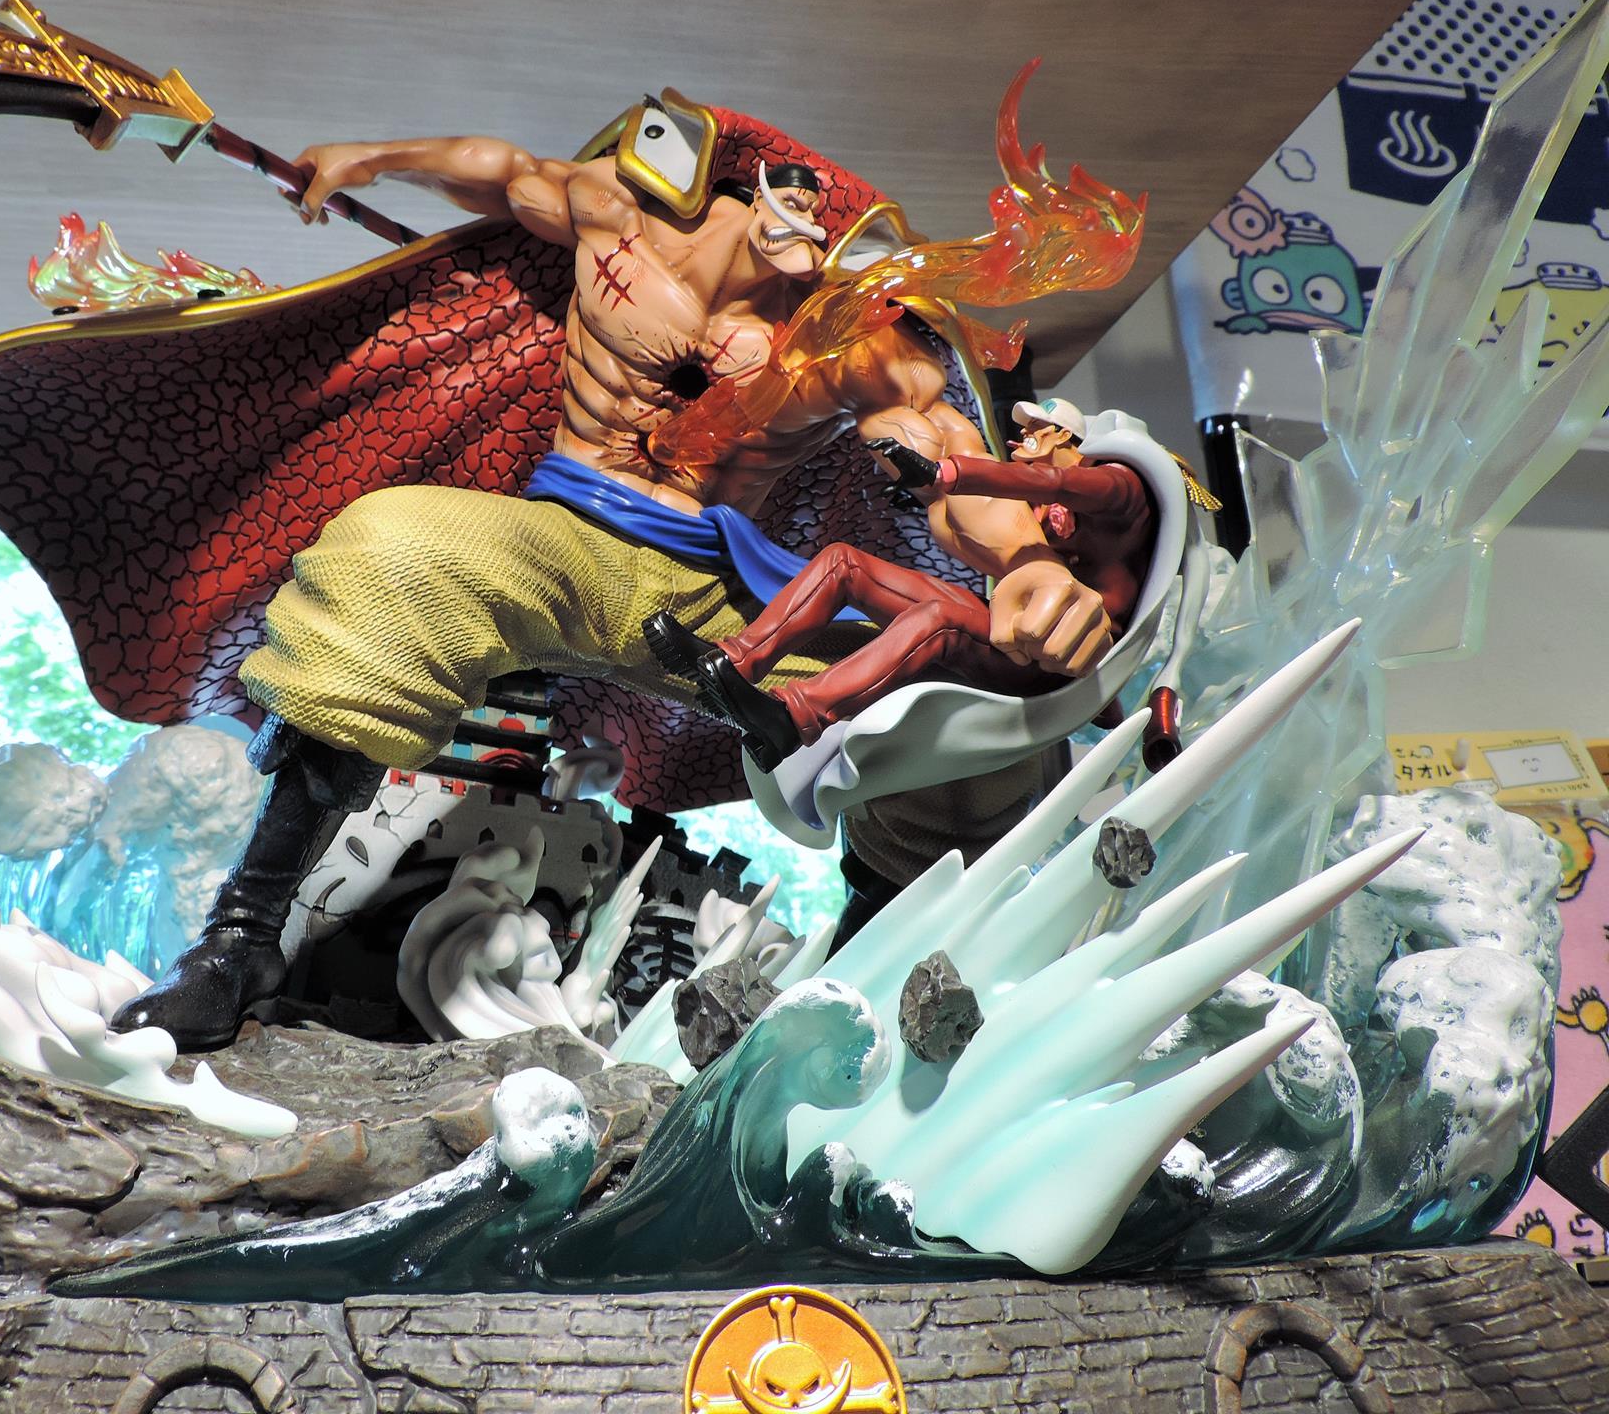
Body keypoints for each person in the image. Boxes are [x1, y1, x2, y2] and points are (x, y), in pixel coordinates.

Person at [103, 110, 1129, 1050]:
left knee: (955, 688)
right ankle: (238, 942)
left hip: (710, 593)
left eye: (826, 228)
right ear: (745, 195)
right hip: (560, 542)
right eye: (790, 204)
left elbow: (946, 454)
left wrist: (1028, 563)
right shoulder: (620, 224)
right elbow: (504, 171)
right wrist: (374, 155)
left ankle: (877, 946)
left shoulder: (845, 333)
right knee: (391, 547)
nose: (806, 238)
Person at [643, 396, 1155, 769]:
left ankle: (792, 718)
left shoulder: (1120, 489)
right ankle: (733, 661)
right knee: (845, 564)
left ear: (1067, 438)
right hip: (1011, 626)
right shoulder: (1048, 512)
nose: (1022, 438)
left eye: (1038, 429)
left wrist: (945, 473)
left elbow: (1054, 480)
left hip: (1045, 663)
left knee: (940, 619)